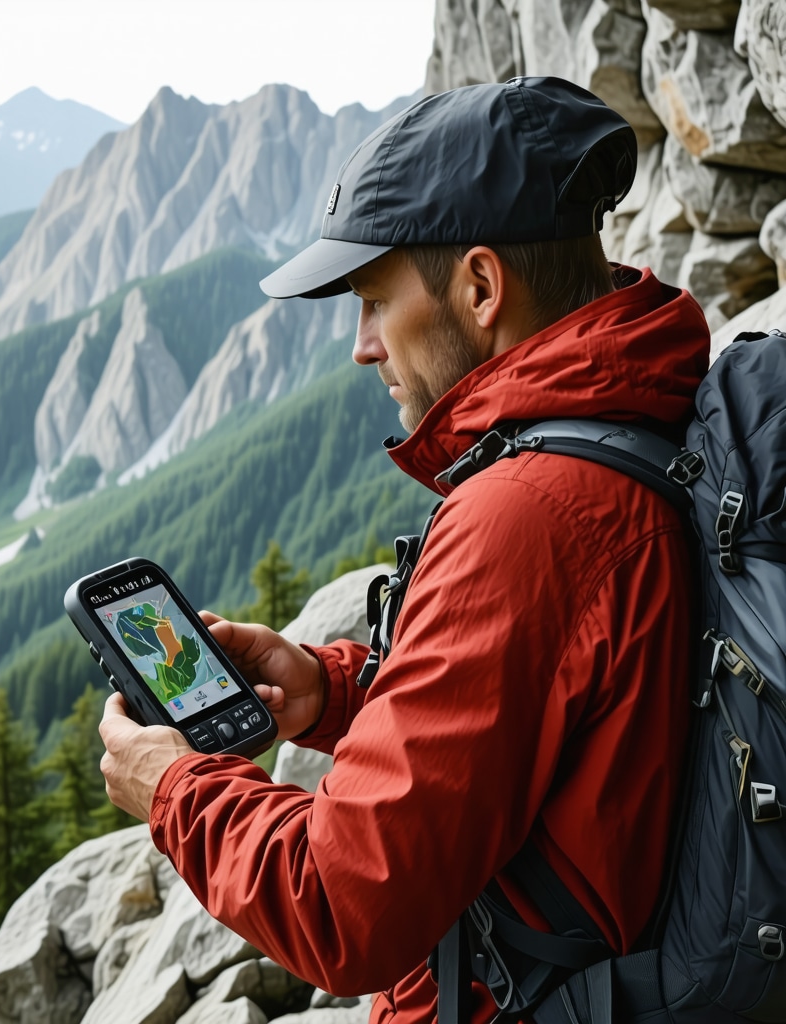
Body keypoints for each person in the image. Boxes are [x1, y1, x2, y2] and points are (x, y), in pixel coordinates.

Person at [99, 76, 711, 1024]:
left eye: (375, 302)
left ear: (478, 288)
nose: (361, 346)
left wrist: (174, 787)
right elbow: (551, 700)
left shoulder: (525, 516)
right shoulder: (641, 411)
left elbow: (343, 909)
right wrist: (333, 689)